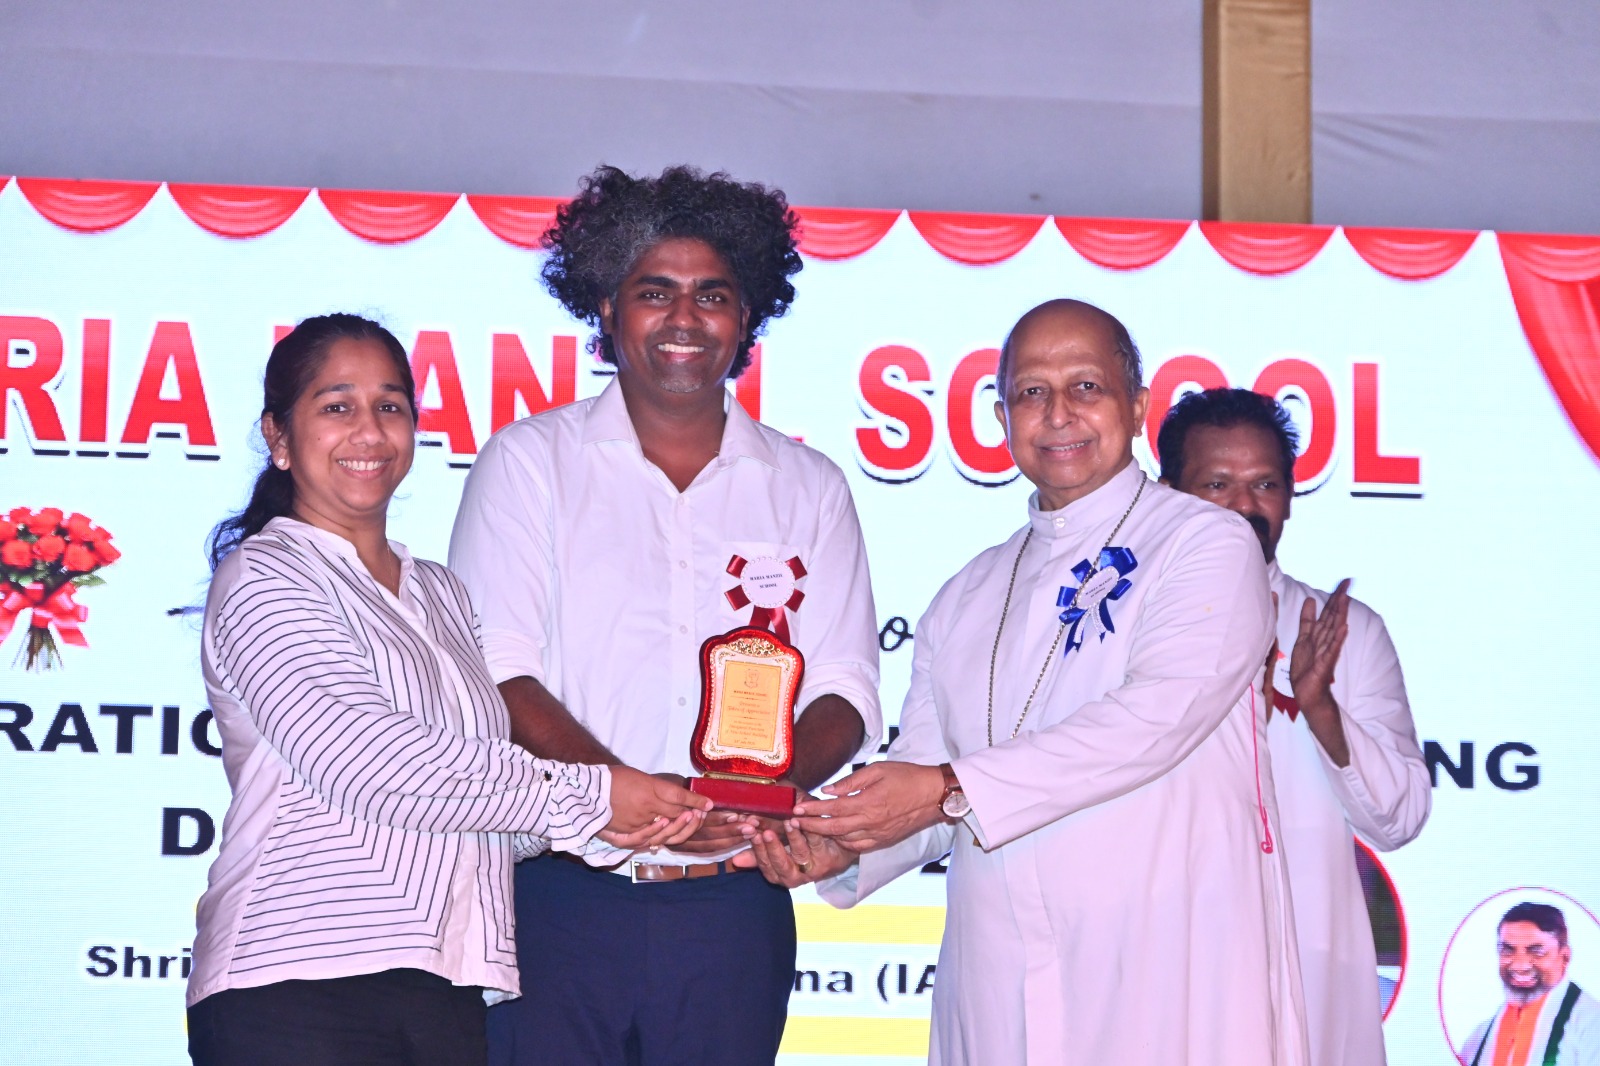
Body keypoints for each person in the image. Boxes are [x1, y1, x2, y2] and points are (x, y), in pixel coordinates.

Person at [740, 298, 1307, 1065]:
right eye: (1032, 391)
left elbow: (1156, 717)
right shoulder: (966, 593)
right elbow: (927, 781)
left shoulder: (1204, 543)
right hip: (999, 971)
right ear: (1002, 417)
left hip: (1158, 957)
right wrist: (845, 844)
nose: (1059, 413)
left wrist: (946, 787)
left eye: (1086, 387)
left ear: (1137, 406)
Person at [186, 314, 708, 1066]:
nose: (369, 431)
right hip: (298, 982)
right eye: (337, 406)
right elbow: (372, 765)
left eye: (389, 406)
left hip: (445, 987)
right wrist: (595, 794)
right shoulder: (265, 575)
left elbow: (466, 806)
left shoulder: (440, 592)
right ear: (279, 436)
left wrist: (626, 820)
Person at [448, 166, 881, 1066]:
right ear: (608, 307)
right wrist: (621, 791)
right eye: (655, 292)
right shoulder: (530, 463)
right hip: (558, 900)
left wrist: (752, 804)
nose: (685, 318)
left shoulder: (811, 487)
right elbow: (496, 672)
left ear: (747, 317)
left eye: (712, 295)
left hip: (734, 905)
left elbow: (846, 690)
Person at [1158, 386, 1431, 1066]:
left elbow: (1400, 818)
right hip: (1161, 978)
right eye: (1216, 484)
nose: (1244, 506)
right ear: (1168, 496)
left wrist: (1320, 708)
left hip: (1308, 989)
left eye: (1265, 485)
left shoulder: (1347, 634)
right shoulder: (1120, 630)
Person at [1461, 902, 1600, 1065]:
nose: (1520, 965)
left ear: (1565, 957)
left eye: (1536, 951)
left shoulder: (1591, 1024)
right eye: (1508, 950)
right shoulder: (1479, 1036)